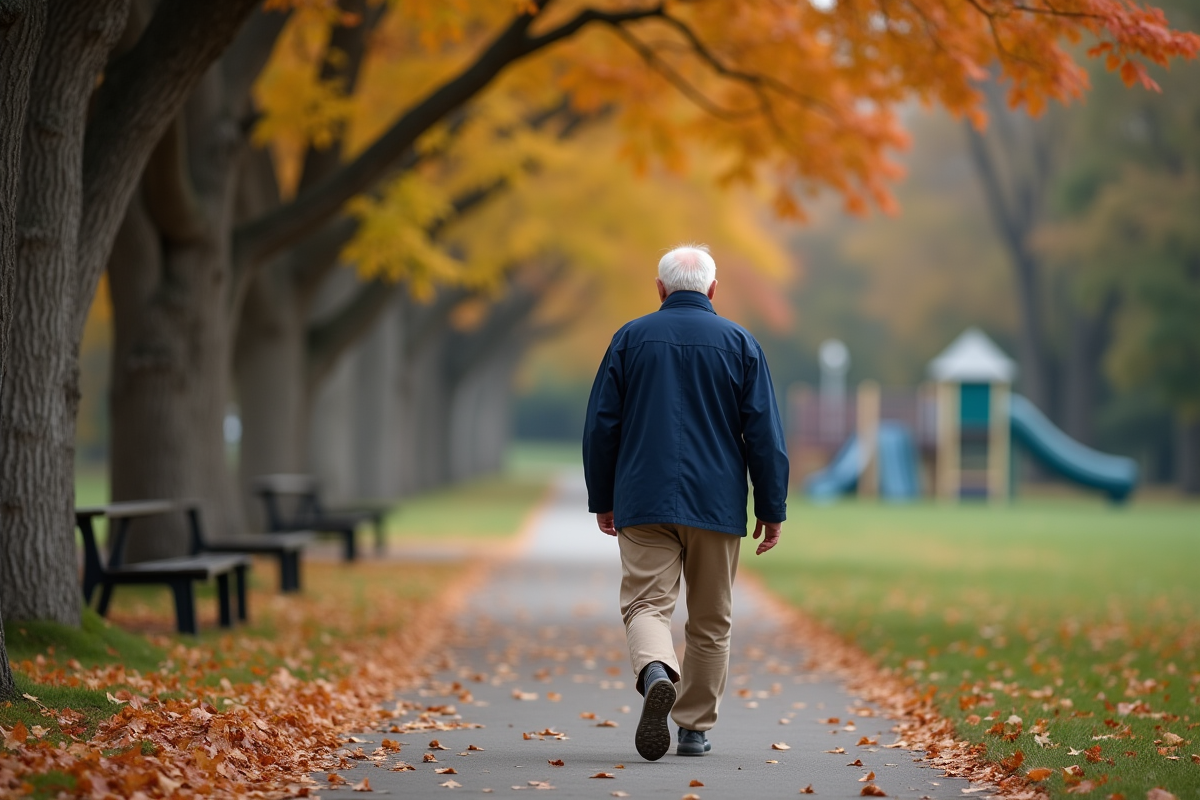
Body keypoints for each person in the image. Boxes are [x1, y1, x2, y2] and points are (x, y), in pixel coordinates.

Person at [582, 244, 789, 761]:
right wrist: (771, 507)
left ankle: (656, 670)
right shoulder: (741, 343)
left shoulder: (629, 339)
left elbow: (602, 427)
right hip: (716, 503)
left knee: (646, 604)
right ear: (713, 290)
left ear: (660, 289)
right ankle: (694, 729)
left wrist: (603, 497)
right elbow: (764, 433)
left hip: (643, 497)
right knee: (711, 620)